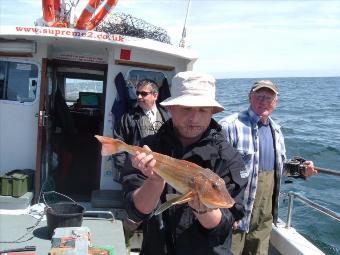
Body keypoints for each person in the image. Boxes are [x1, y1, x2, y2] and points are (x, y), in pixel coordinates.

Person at [121, 71, 248, 255]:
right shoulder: (148, 148)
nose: (194, 118)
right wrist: (155, 181)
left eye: (203, 110)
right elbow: (135, 212)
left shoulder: (228, 158)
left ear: (212, 112)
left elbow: (226, 225)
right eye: (186, 108)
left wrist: (203, 210)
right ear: (170, 109)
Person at [218, 80, 318, 255]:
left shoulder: (276, 130)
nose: (264, 101)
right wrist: (226, 210)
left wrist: (301, 170)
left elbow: (279, 168)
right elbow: (216, 172)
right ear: (250, 97)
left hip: (264, 216)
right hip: (236, 212)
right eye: (260, 96)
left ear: (275, 102)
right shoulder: (230, 126)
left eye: (269, 98)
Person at [113, 79, 170, 180]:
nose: (139, 97)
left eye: (143, 94)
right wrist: (125, 169)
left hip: (160, 174)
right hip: (135, 174)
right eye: (137, 93)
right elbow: (117, 145)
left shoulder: (167, 118)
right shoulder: (127, 118)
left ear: (155, 95)